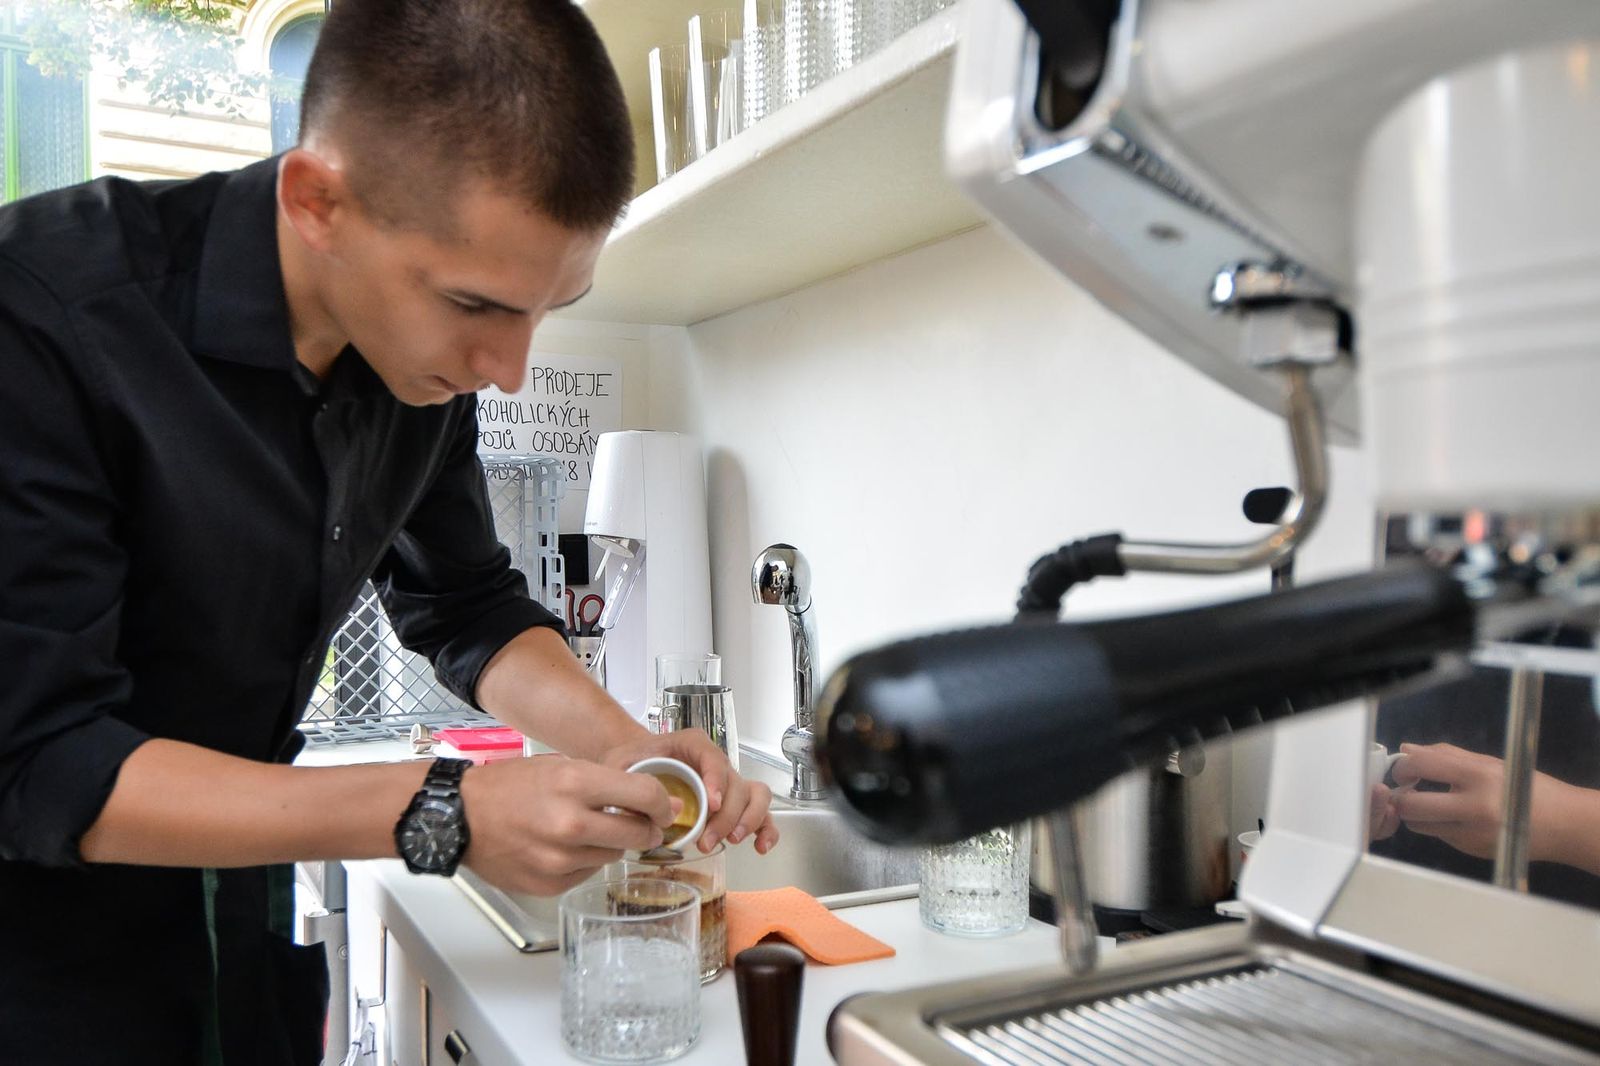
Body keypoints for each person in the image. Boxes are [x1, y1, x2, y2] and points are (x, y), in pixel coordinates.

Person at [0, 2, 775, 1063]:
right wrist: (443, 810)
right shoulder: (43, 317)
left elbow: (464, 605)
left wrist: (628, 748)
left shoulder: (415, 361)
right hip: (38, 962)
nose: (510, 369)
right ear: (317, 199)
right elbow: (44, 762)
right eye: (479, 305)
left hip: (239, 922)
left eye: (552, 308)